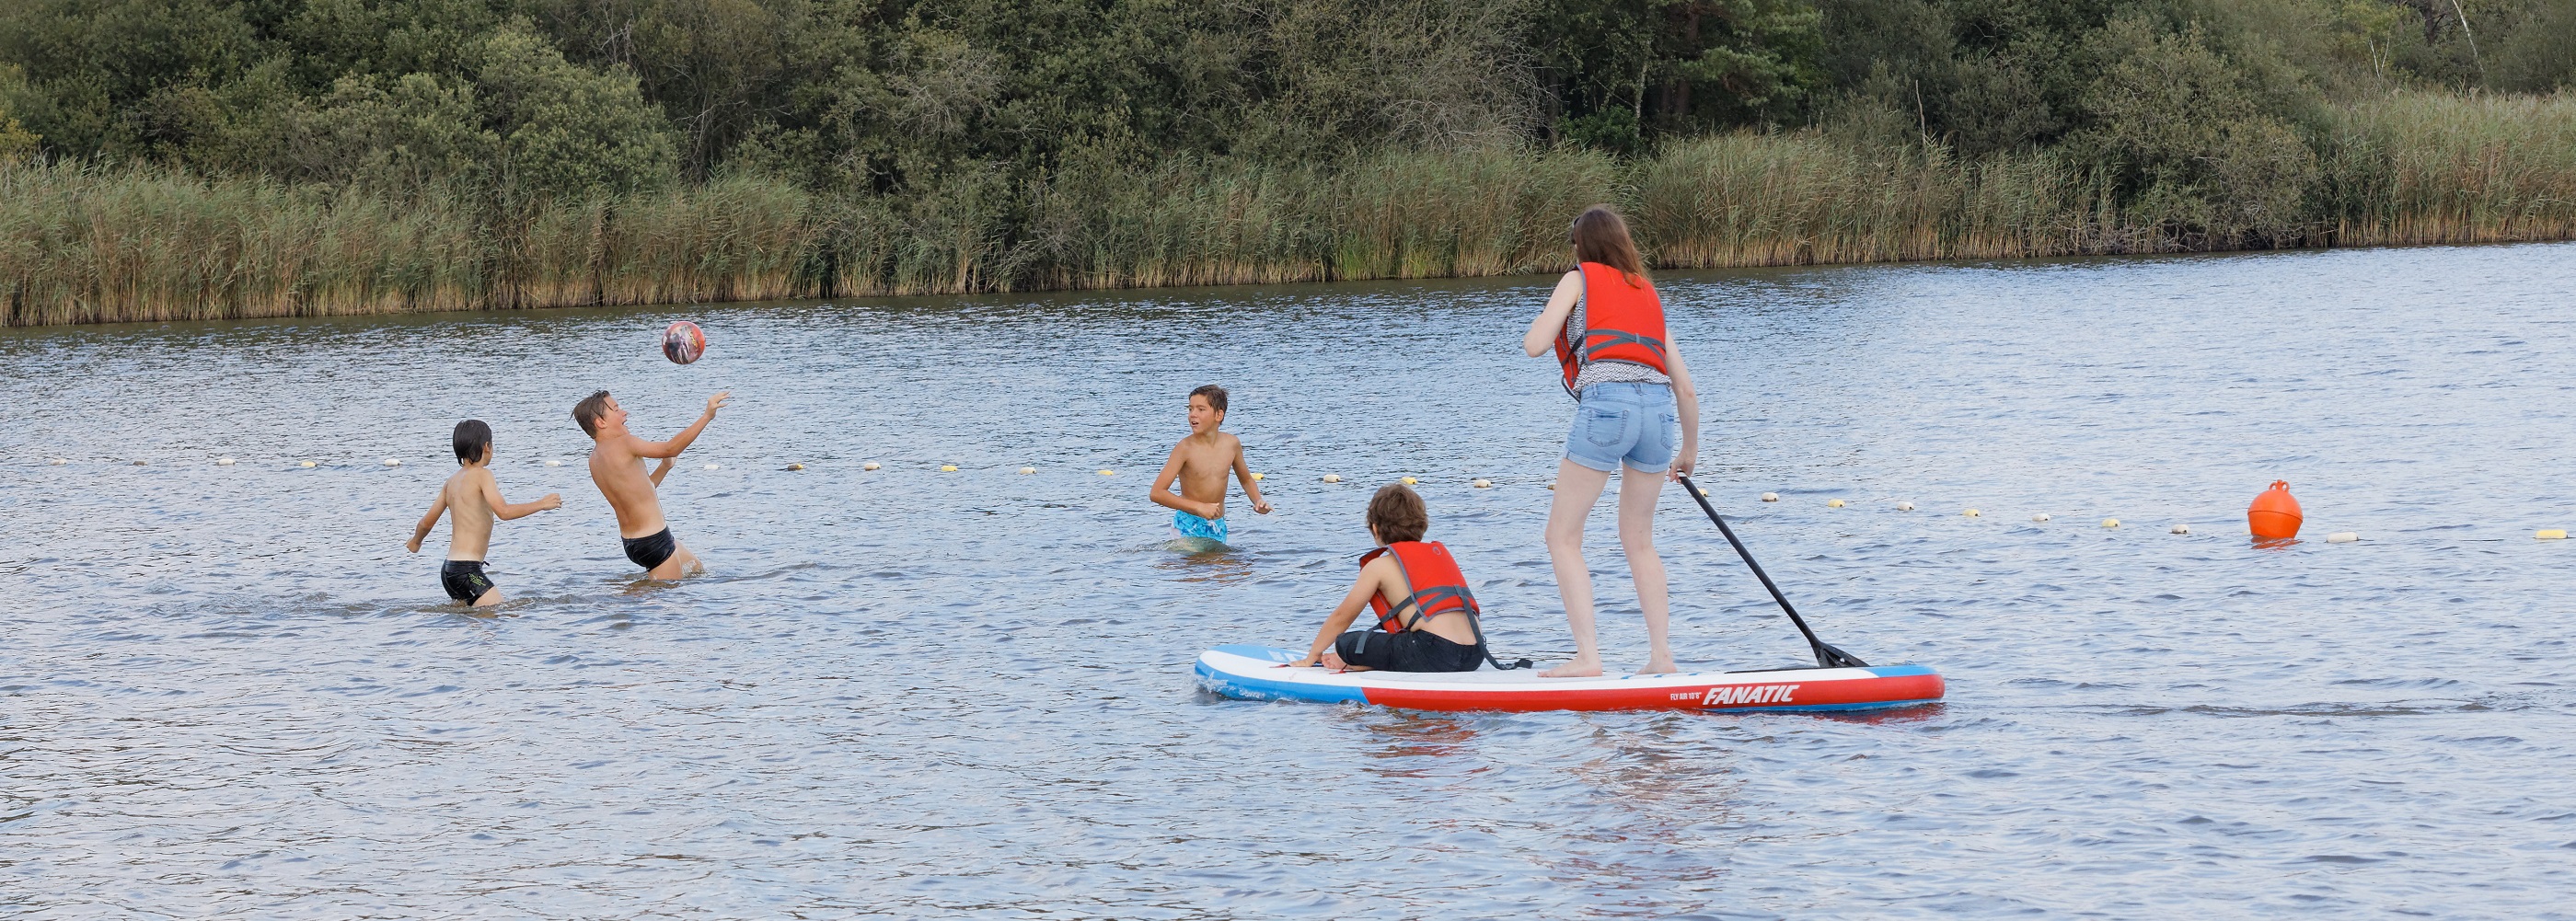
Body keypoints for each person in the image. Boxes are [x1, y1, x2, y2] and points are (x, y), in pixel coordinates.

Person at [1519, 204, 1701, 677]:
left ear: (1581, 245)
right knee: (1640, 541)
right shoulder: (1648, 292)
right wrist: (1689, 452)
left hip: (1607, 409)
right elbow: (1685, 386)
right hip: (1660, 418)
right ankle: (1662, 657)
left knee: (1561, 537)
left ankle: (1588, 658)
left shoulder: (1577, 279)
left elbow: (1535, 345)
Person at [1287, 484, 1523, 673]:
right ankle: (1371, 664)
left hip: (1433, 652)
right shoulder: (1439, 555)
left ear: (1376, 529)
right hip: (1475, 654)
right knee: (1390, 642)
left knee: (1347, 643)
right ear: (1423, 525)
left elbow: (1342, 616)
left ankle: (1357, 663)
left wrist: (1312, 657)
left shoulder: (1379, 566)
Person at [406, 420, 563, 605]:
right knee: (500, 614)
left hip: (449, 570)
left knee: (475, 624)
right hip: (468, 572)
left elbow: (426, 522)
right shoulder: (483, 475)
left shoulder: (451, 482)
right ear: (487, 446)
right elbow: (503, 512)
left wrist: (416, 542)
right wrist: (541, 503)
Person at [575, 389, 728, 580]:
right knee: (667, 600)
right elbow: (670, 448)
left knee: (696, 569)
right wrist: (707, 416)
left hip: (634, 543)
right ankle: (623, 598)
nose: (624, 413)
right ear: (601, 422)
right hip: (654, 541)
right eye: (616, 409)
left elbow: (640, 493)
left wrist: (665, 467)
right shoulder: (625, 443)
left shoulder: (594, 459)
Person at [1149, 384, 1272, 544]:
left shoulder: (1232, 444)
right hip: (1188, 525)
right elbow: (1157, 493)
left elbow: (1246, 479)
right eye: (1190, 409)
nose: (1193, 414)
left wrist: (1258, 501)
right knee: (1193, 567)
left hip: (1218, 526)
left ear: (1219, 415)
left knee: (1238, 567)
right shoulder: (1185, 448)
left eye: (1201, 409)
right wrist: (1198, 507)